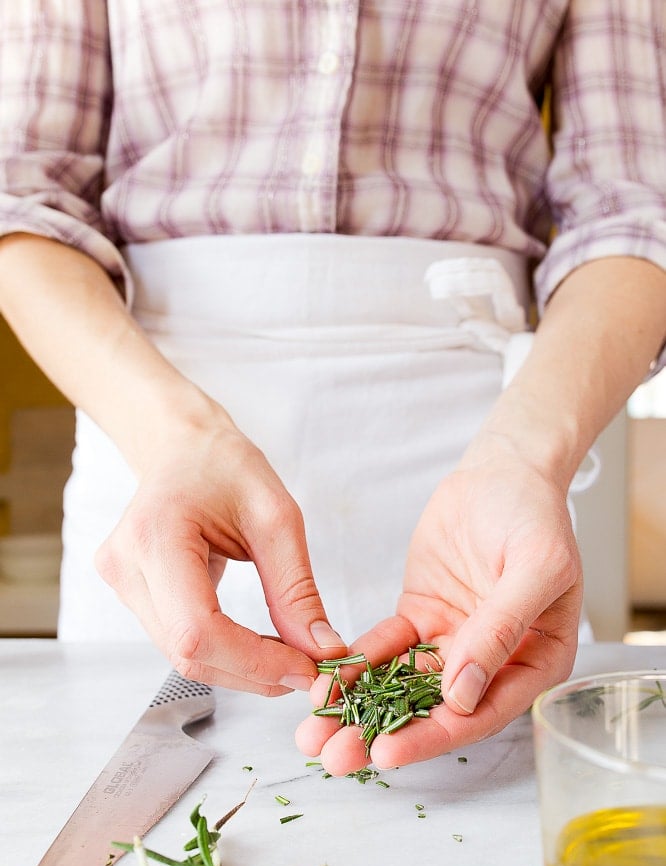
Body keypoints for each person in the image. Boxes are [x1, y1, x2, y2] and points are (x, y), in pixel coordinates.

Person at [1, 2, 665, 777]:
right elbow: (22, 200)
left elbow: (634, 213)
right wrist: (177, 440)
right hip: (157, 441)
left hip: (477, 456)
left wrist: (522, 460)